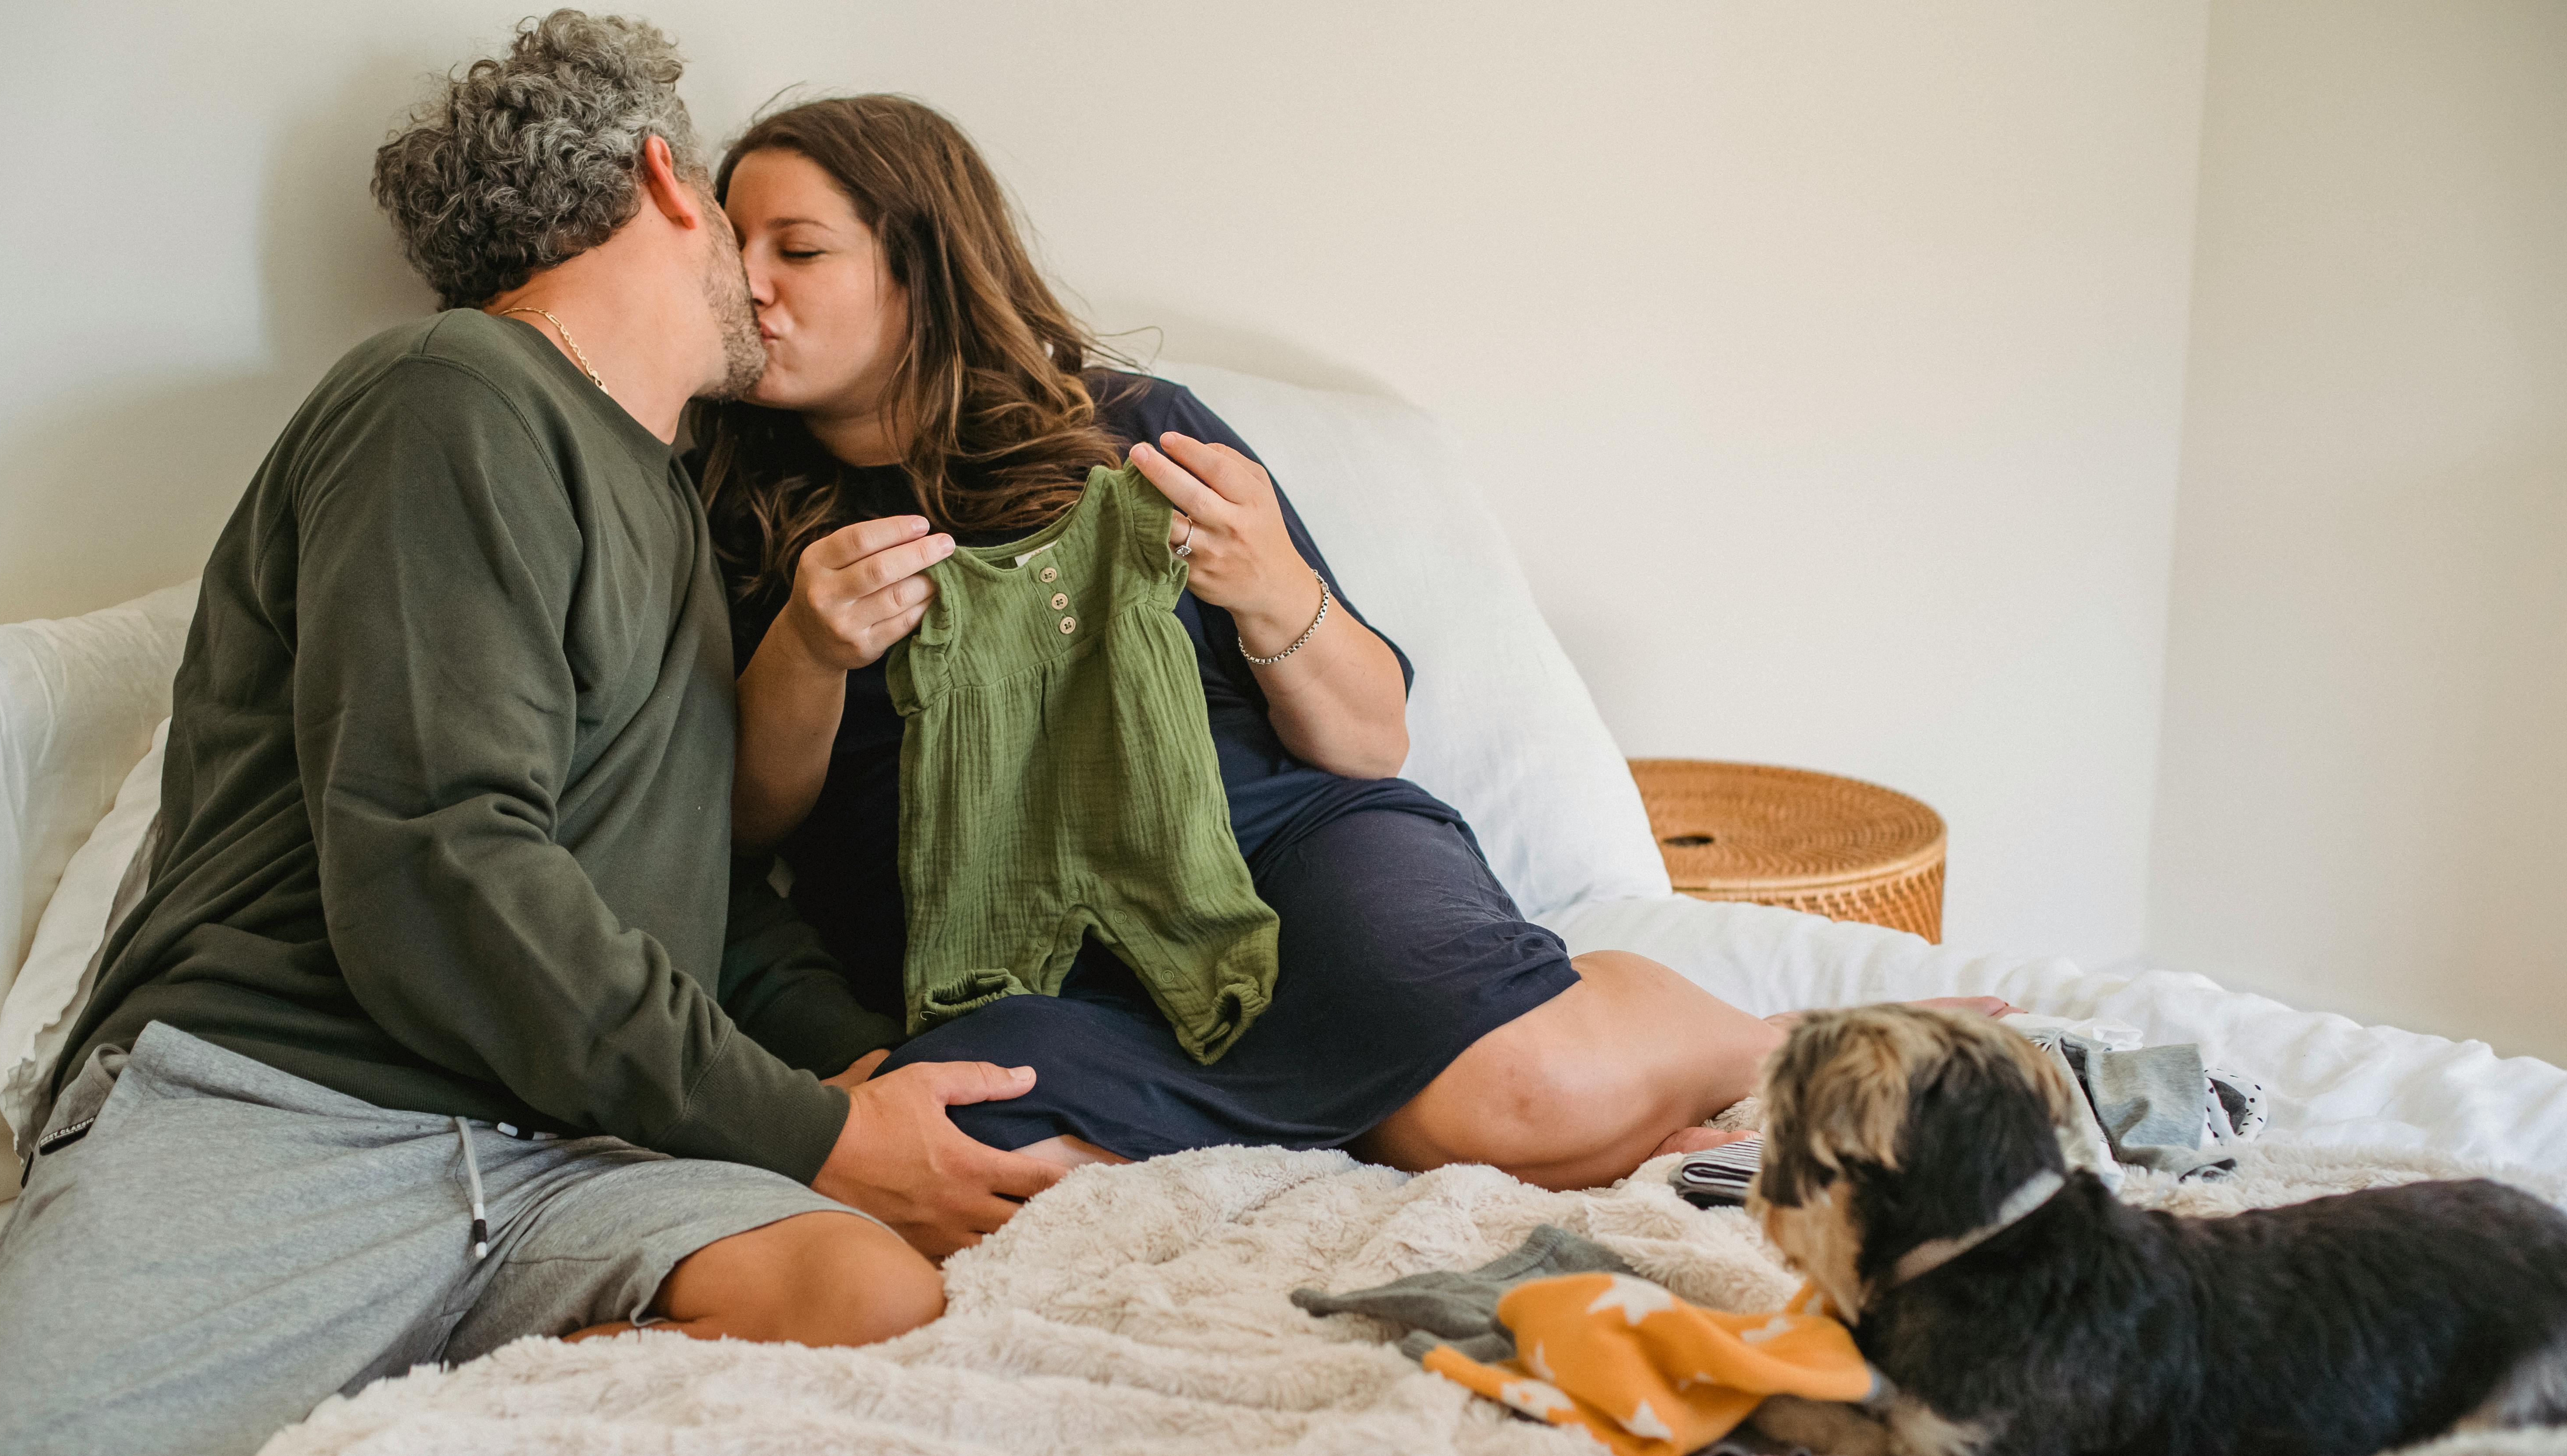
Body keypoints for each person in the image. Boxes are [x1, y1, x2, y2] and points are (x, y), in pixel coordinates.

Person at [0, 20, 1061, 1456]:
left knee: (864, 1294)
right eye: (745, 235)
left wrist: (874, 1070)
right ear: (660, 178)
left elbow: (682, 904)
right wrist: (820, 1134)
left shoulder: (672, 520)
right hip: (282, 1100)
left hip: (555, 1149)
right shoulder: (452, 393)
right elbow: (443, 867)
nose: (768, 288)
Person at [704, 97, 1990, 1191]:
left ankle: (1758, 1043)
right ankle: (1386, 1099)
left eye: (797, 249)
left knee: (1527, 1102)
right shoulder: (725, 507)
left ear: (918, 266)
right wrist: (810, 651)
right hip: (1008, 947)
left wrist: (1271, 590)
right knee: (964, 1145)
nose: (747, 281)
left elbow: (1372, 737)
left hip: (1285, 862)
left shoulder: (1133, 432)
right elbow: (747, 831)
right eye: (733, 245)